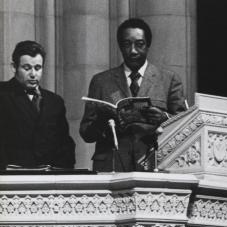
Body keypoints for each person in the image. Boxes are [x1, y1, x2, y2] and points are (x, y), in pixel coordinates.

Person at [79, 18, 186, 172]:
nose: (133, 50)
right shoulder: (101, 81)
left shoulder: (168, 80)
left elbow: (184, 127)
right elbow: (86, 133)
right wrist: (105, 122)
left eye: (139, 44)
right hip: (111, 165)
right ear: (120, 46)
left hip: (154, 164)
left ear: (148, 45)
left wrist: (164, 118)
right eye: (127, 44)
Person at [0, 40, 75, 170]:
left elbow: (65, 144)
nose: (33, 74)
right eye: (27, 68)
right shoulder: (3, 94)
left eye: (38, 68)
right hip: (11, 178)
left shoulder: (55, 101)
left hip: (48, 178)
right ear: (14, 67)